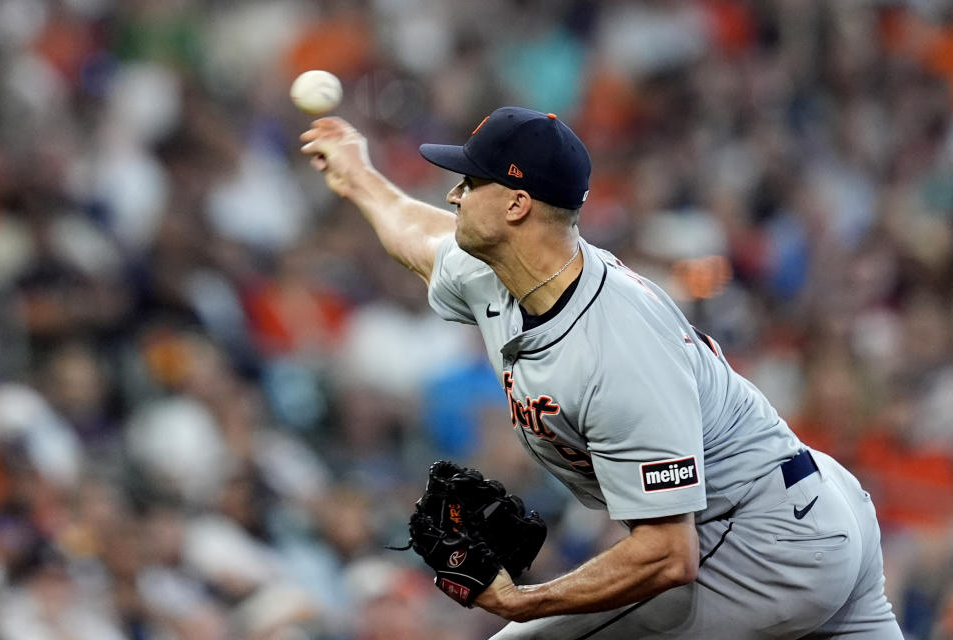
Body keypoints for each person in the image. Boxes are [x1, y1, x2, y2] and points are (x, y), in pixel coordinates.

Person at [299, 107, 903, 639]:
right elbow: (419, 236)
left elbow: (668, 555)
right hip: (812, 506)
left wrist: (522, 601)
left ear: (516, 203)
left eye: (470, 181)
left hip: (759, 539)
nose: (454, 195)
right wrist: (358, 177)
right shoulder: (497, 272)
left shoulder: (614, 345)